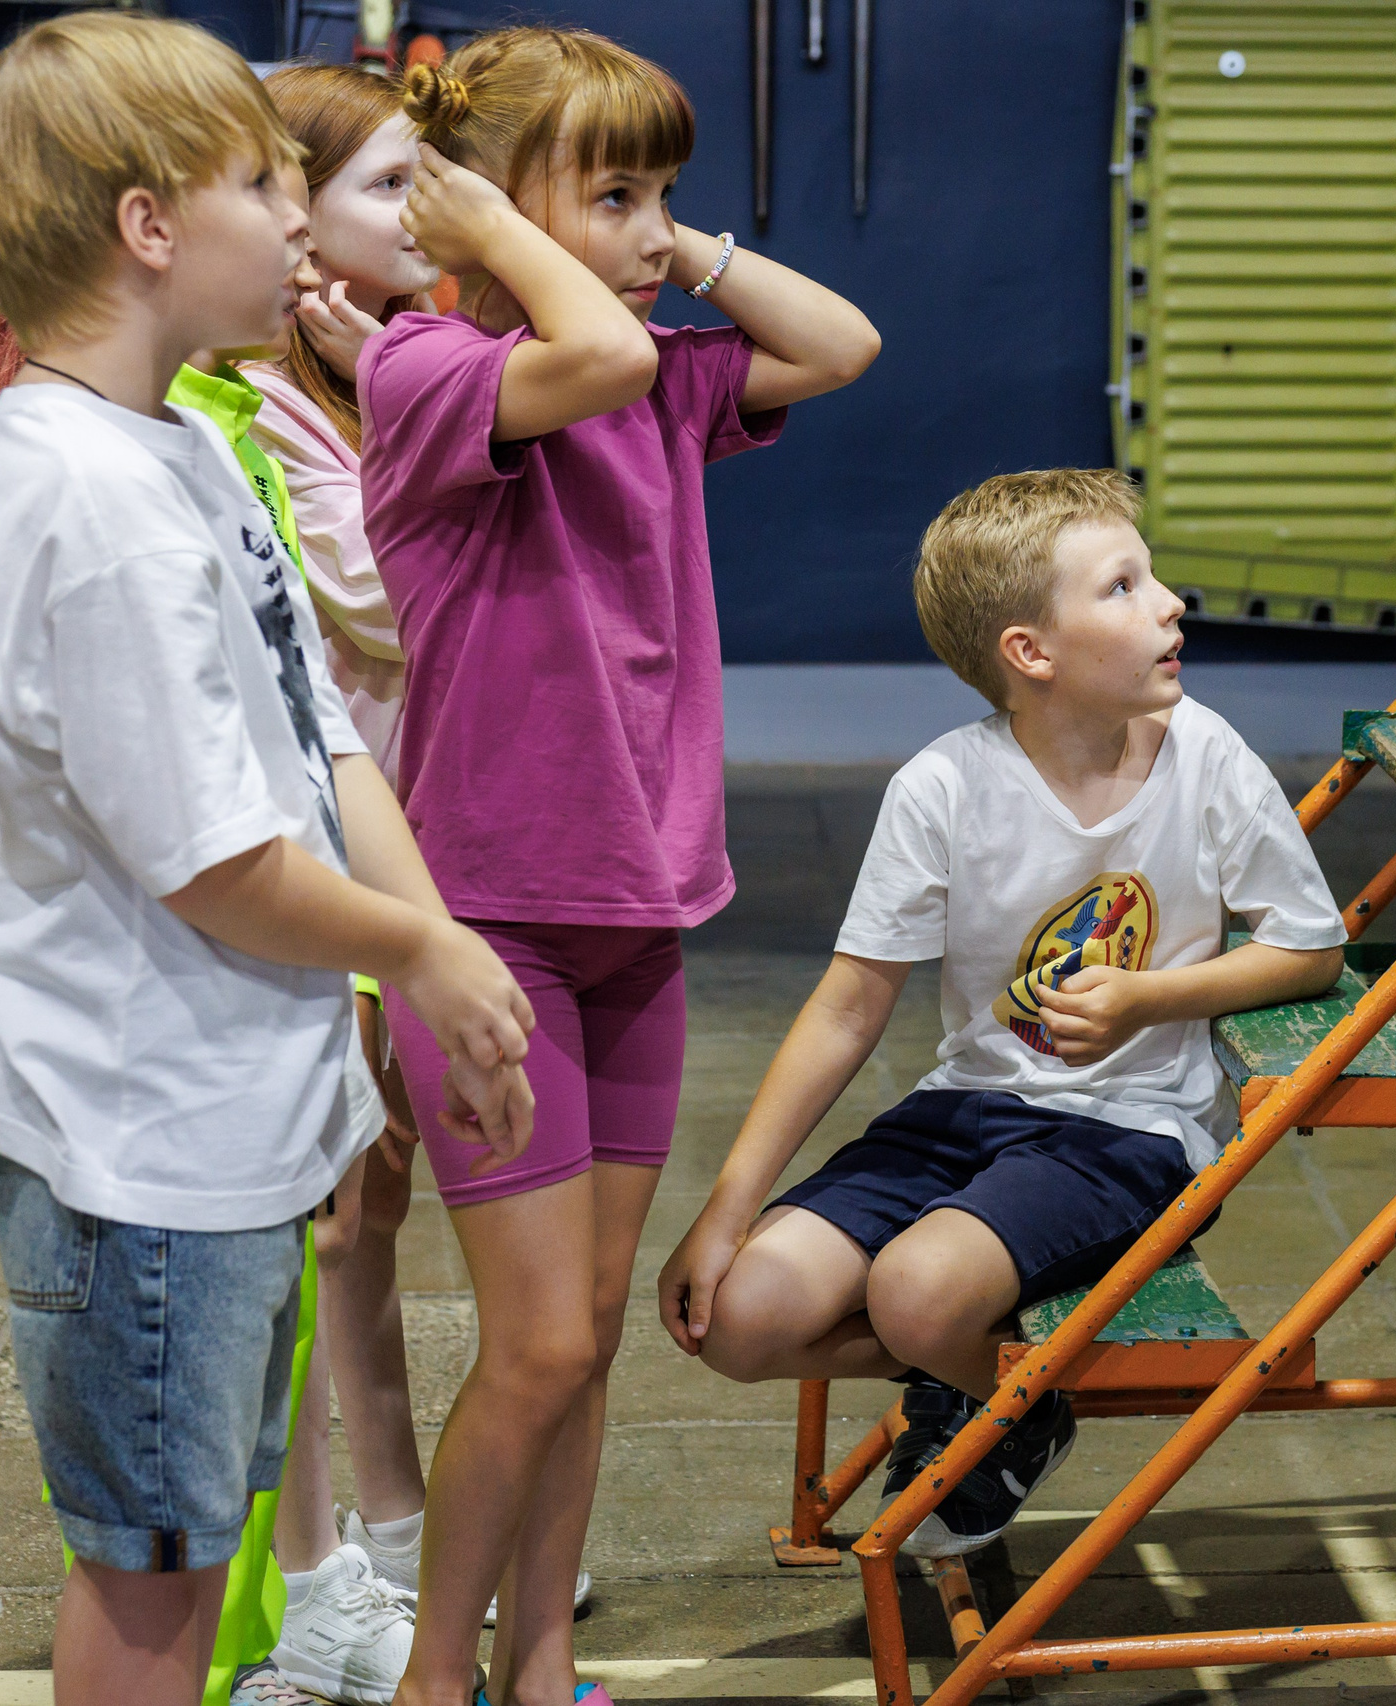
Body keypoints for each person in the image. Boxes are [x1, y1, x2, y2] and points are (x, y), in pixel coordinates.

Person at [0, 16, 536, 1706]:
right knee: (155, 1593)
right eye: (265, 185)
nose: (301, 223)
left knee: (194, 1551)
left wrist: (429, 948)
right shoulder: (88, 499)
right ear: (146, 226)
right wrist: (431, 957)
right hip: (141, 1161)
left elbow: (316, 736)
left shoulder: (192, 441)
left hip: (227, 1132)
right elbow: (218, 862)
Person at [355, 27, 879, 1706]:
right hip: (490, 924)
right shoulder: (431, 369)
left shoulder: (658, 365)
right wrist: (496, 234)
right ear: (482, 211)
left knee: (582, 1333)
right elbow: (585, 350)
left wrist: (671, 243)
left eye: (667, 191)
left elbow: (842, 343)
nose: (655, 231)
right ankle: (442, 1674)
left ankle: (544, 1662)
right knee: (545, 1341)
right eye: (618, 192)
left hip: (638, 921)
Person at [657, 469, 1347, 1558]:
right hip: (967, 1109)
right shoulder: (942, 785)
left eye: (1151, 573)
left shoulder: (1204, 753)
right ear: (1032, 652)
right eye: (1123, 586)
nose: (1168, 601)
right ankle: (995, 1385)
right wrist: (723, 1213)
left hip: (1129, 1128)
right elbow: (847, 1007)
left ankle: (991, 1399)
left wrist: (1147, 999)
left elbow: (1309, 947)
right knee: (741, 1316)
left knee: (917, 1293)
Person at [241, 63, 447, 1695]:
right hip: (314, 877)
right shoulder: (257, 408)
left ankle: (386, 1525)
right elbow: (393, 608)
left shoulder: (368, 379)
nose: (428, 215)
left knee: (363, 1220)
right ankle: (318, 1579)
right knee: (321, 1223)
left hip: (399, 848)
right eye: (392, 184)